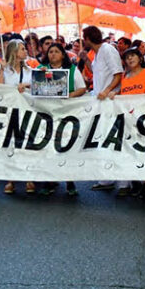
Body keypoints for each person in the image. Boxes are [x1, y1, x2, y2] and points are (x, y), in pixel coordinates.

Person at [37, 43, 88, 196]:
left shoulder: (72, 71)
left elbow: (82, 88)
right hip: (47, 114)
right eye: (50, 51)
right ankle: (48, 181)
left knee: (65, 147)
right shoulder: (41, 69)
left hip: (67, 113)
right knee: (48, 148)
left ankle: (69, 181)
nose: (53, 54)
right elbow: (32, 86)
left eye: (56, 51)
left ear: (62, 55)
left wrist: (68, 95)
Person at [79, 26, 123, 191]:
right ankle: (106, 178)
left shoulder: (107, 50)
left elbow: (118, 74)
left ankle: (121, 180)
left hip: (109, 101)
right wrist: (86, 60)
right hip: (100, 102)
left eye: (84, 38)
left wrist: (107, 91)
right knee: (103, 138)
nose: (83, 41)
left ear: (89, 38)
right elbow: (96, 72)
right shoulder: (98, 53)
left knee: (112, 139)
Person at [108, 47, 145, 199]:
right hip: (129, 120)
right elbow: (123, 94)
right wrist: (116, 93)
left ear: (140, 58)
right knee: (130, 151)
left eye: (133, 56)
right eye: (127, 57)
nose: (130, 59)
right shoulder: (125, 77)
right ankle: (135, 183)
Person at [0, 39, 36, 195]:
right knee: (10, 144)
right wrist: (1, 71)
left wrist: (25, 86)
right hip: (9, 111)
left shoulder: (29, 70)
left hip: (26, 111)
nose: (25, 51)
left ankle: (28, 177)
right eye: (22, 48)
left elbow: (37, 86)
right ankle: (10, 178)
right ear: (14, 52)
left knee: (26, 143)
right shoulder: (3, 68)